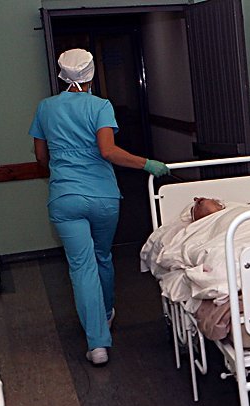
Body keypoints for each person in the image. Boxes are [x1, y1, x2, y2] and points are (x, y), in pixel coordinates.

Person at [30, 48, 170, 366]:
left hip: (65, 198)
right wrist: (147, 163)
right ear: (91, 73)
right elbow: (108, 151)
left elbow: (40, 156)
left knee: (82, 267)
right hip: (103, 197)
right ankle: (106, 314)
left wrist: (64, 171)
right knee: (102, 257)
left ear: (62, 74)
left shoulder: (46, 108)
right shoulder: (100, 106)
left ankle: (97, 344)